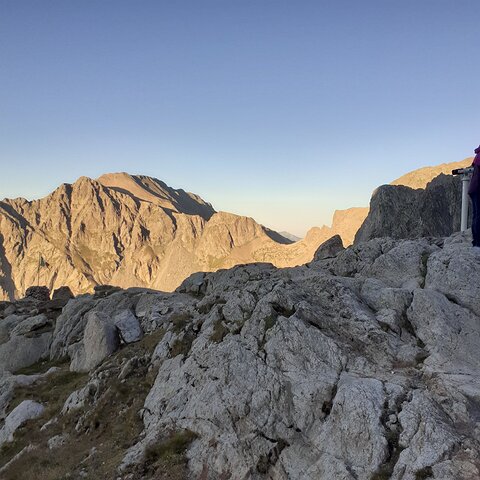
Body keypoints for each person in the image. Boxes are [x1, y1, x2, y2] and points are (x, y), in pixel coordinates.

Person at [469, 145, 480, 247]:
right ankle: (478, 242)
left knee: (476, 214)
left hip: (473, 188)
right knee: (478, 215)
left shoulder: (477, 156)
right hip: (477, 188)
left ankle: (475, 241)